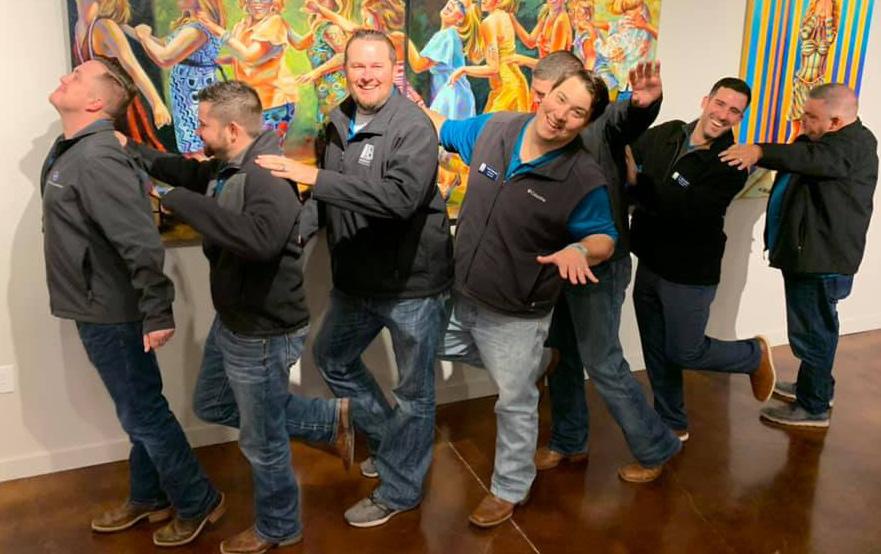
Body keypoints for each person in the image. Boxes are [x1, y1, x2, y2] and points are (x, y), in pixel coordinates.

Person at [124, 80, 353, 552]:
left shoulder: (266, 176)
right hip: (235, 320)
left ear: (232, 129)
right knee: (212, 404)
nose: (198, 132)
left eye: (203, 125)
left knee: (261, 442)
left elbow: (260, 241)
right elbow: (191, 172)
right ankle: (326, 420)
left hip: (263, 330)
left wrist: (175, 200)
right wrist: (133, 150)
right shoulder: (229, 165)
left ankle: (279, 527)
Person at [255, 30, 452, 528]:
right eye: (357, 67)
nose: (366, 76)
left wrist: (313, 178)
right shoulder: (339, 118)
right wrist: (295, 235)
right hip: (356, 279)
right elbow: (325, 200)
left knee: (415, 394)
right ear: (345, 70)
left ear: (394, 70)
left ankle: (401, 491)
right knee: (332, 357)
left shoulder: (413, 127)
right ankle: (392, 446)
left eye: (376, 67)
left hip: (412, 286)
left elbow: (399, 199)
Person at [41, 56, 223, 547]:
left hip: (112, 310)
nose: (64, 78)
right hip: (94, 303)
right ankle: (149, 495)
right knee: (138, 408)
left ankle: (198, 500)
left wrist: (156, 310)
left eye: (77, 77)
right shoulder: (75, 150)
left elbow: (139, 241)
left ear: (96, 102)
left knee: (142, 412)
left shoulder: (96, 158)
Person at [425, 68, 617, 527]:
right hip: (462, 290)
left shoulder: (582, 176)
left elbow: (604, 238)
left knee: (513, 401)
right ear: (545, 93)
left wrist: (579, 250)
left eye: (577, 112)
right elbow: (442, 127)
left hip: (517, 311)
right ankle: (537, 362)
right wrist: (402, 101)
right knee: (428, 343)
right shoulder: (496, 128)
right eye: (561, 99)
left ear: (586, 123)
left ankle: (510, 488)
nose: (562, 114)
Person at [530, 53, 683, 483]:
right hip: (560, 265)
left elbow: (626, 117)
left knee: (603, 363)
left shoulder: (602, 122)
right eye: (538, 95)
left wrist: (644, 104)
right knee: (562, 357)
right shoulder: (542, 130)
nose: (543, 105)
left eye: (547, 94)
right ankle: (569, 440)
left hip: (600, 266)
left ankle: (656, 447)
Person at [627, 78, 776, 459]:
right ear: (706, 100)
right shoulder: (668, 133)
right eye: (720, 104)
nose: (723, 115)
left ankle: (752, 355)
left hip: (689, 272)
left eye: (734, 111)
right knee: (656, 350)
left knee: (685, 352)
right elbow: (628, 149)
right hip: (650, 260)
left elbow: (683, 212)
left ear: (740, 118)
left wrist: (636, 183)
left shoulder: (731, 163)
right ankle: (672, 423)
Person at [720, 83, 878, 428]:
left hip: (821, 260)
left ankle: (814, 407)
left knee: (813, 333)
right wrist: (806, 133)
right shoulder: (830, 141)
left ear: (836, 122)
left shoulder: (849, 147)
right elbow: (806, 153)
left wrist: (758, 151)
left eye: (811, 116)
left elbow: (811, 159)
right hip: (816, 256)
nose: (802, 120)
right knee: (819, 327)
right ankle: (816, 388)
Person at [130, 0, 226, 154]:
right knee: (194, 146)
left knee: (197, 148)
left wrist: (144, 37)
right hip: (189, 92)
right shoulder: (194, 23)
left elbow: (165, 58)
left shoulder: (197, 29)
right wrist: (130, 31)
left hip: (194, 94)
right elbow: (164, 45)